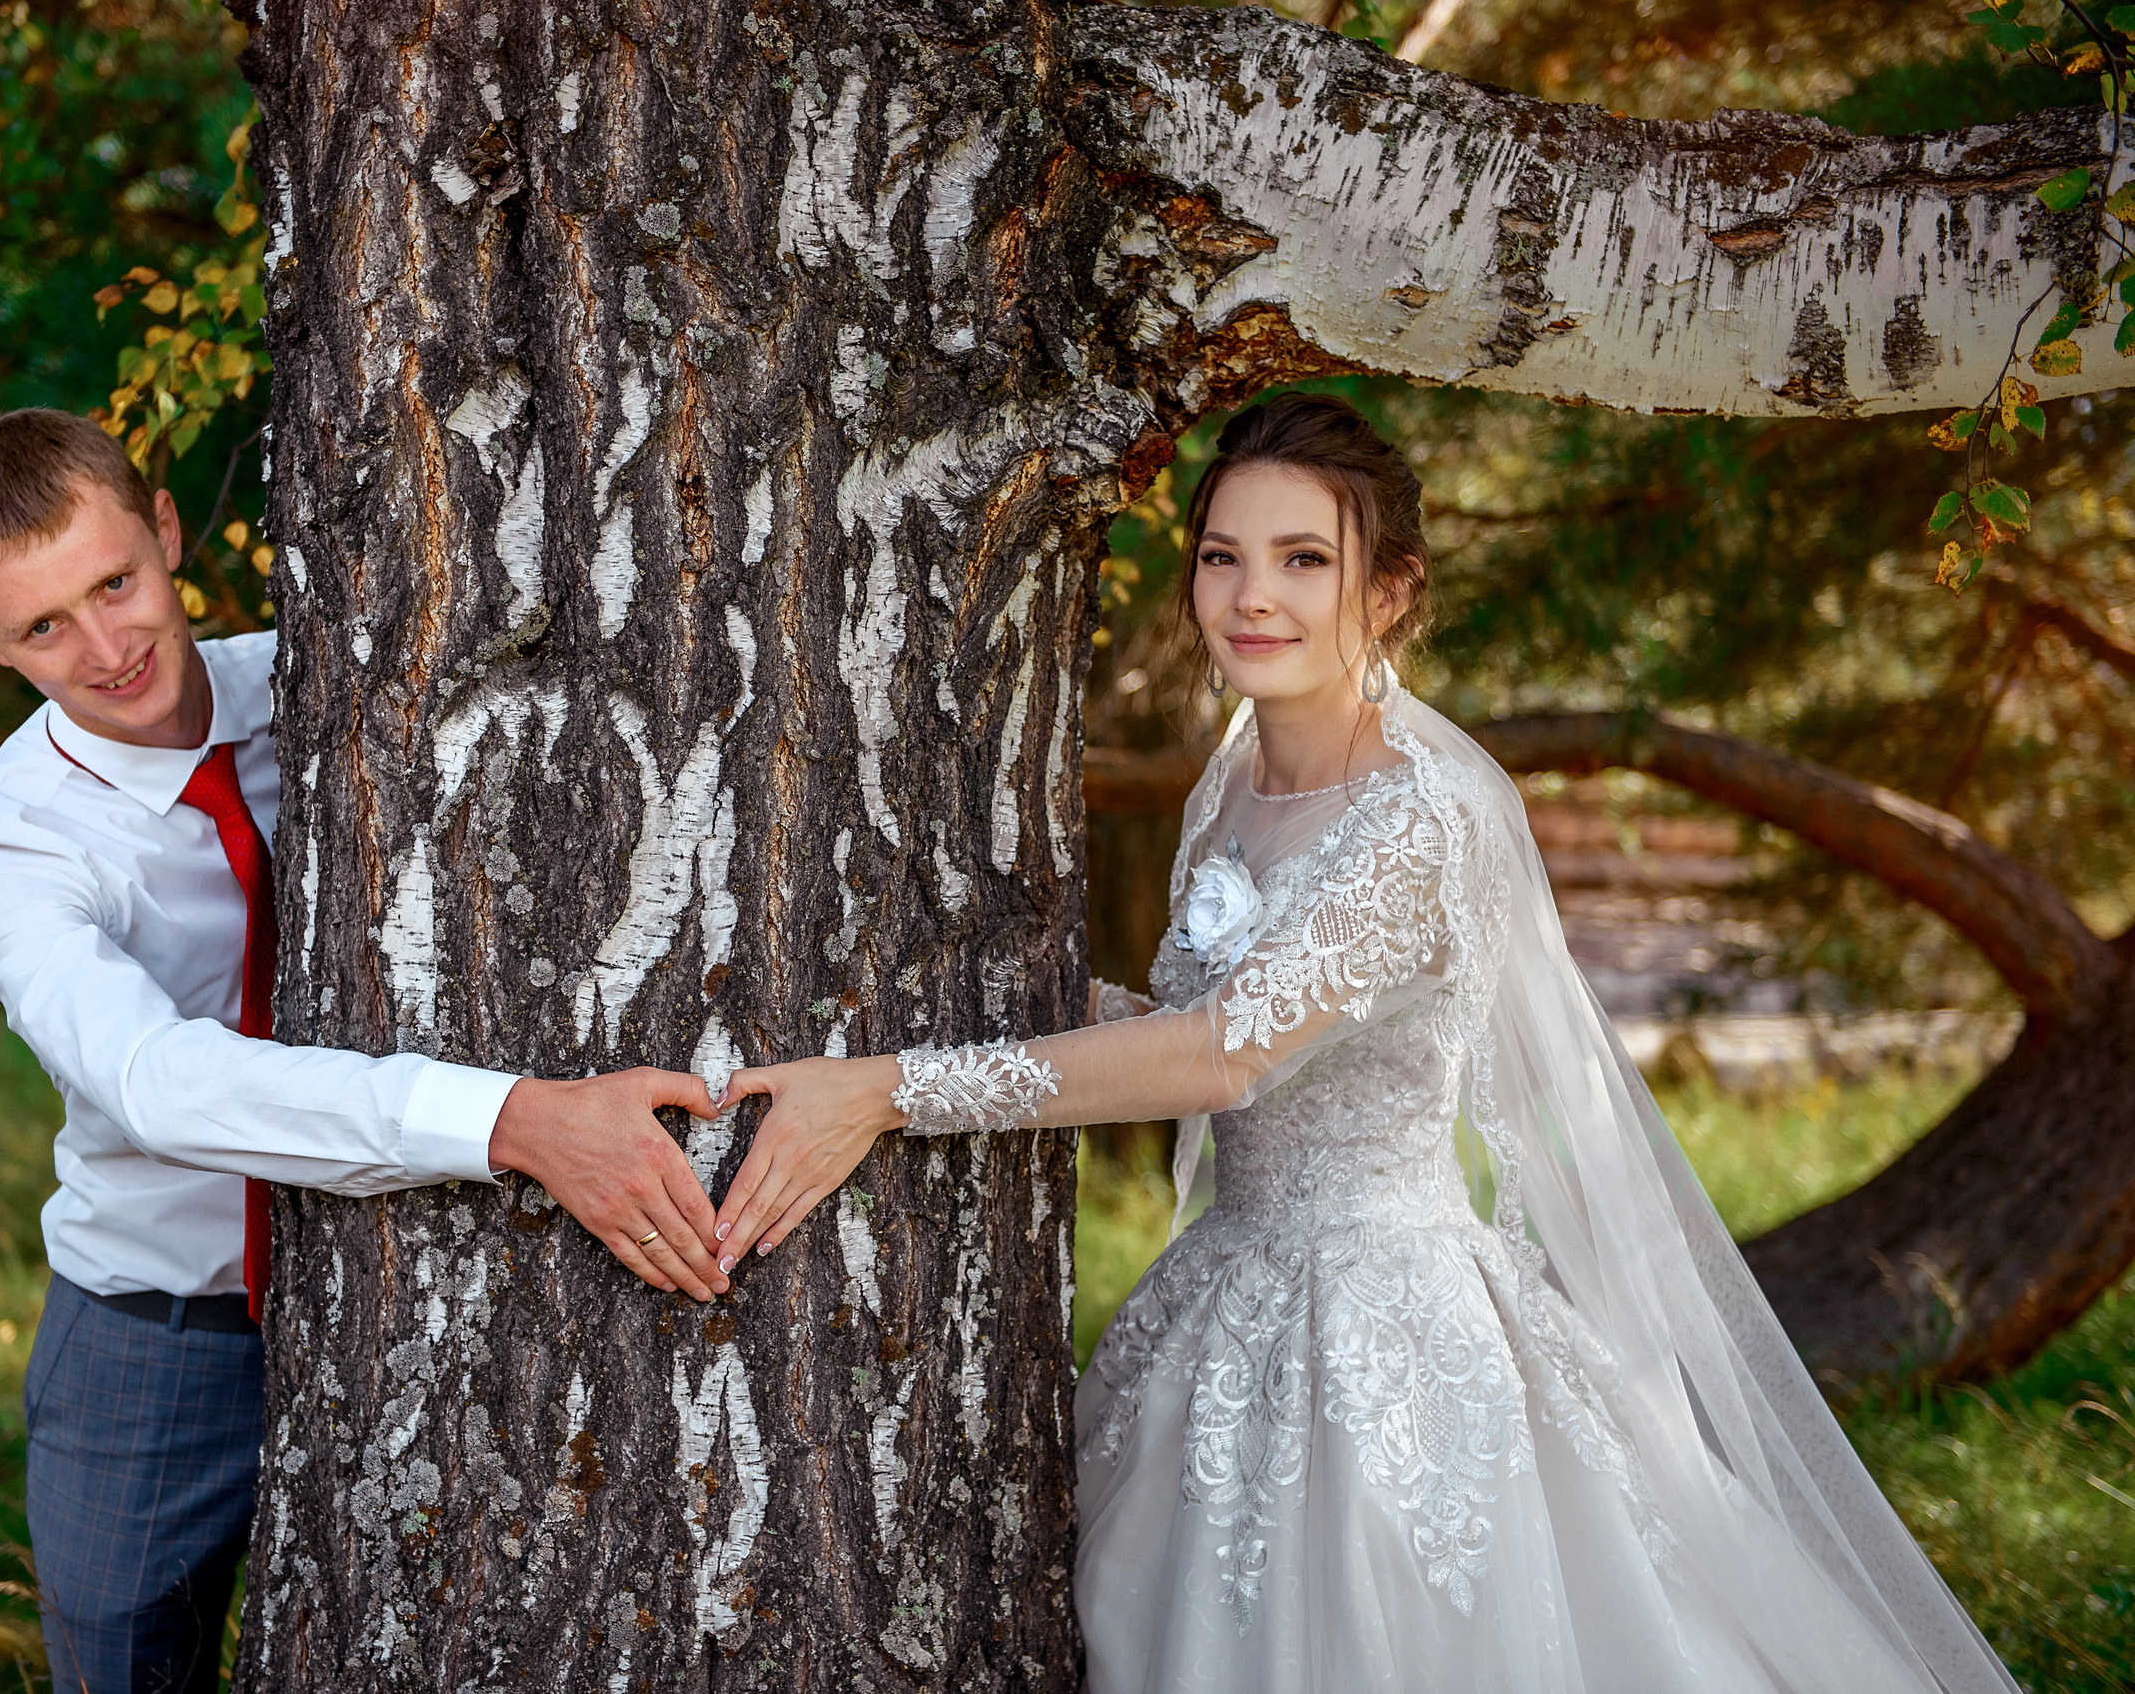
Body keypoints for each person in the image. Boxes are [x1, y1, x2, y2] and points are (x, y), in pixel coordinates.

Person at [711, 396, 2021, 1692]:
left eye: (1303, 559)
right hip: (1227, 1289)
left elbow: (1224, 1056)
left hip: (1380, 1325)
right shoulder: (1233, 782)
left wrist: (893, 1091)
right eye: (1221, 556)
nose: (1251, 597)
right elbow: (1193, 1021)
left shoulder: (1419, 818)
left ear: (1390, 593)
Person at [0, 409, 731, 1694]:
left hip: (420, 1280)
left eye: (115, 583)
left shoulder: (338, 681)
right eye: (42, 628)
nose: (106, 648)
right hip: (158, 1330)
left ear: (166, 529)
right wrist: (515, 1118)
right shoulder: (5, 845)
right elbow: (153, 1082)